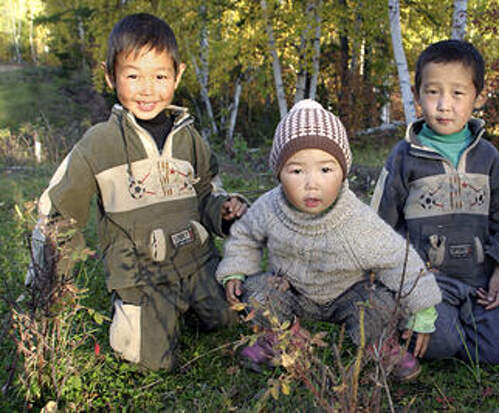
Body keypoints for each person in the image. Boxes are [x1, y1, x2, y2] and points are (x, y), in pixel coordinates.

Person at [25, 13, 247, 371]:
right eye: (133, 75)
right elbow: (58, 211)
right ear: (110, 75)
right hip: (142, 275)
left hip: (197, 264)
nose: (148, 89)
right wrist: (47, 279)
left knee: (230, 319)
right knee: (147, 362)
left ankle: (187, 308)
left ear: (178, 74)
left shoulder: (190, 139)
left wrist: (222, 211)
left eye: (160, 76)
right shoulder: (99, 144)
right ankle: (143, 314)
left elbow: (207, 192)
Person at [215, 99, 442, 381]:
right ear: (279, 174)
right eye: (297, 171)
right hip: (292, 291)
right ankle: (281, 337)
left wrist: (423, 307)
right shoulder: (270, 206)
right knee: (259, 291)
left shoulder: (355, 218)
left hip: (347, 294)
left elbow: (397, 258)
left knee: (377, 303)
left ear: (343, 171)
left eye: (325, 170)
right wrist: (235, 269)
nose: (312, 182)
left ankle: (379, 345)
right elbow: (245, 235)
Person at [371, 39, 499, 364]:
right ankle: (414, 322)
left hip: (477, 283)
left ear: (477, 97)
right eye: (432, 92)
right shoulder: (404, 157)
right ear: (417, 96)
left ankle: (458, 324)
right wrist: (401, 282)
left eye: (457, 93)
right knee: (441, 344)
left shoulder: (489, 159)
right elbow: (379, 226)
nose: (444, 105)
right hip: (425, 282)